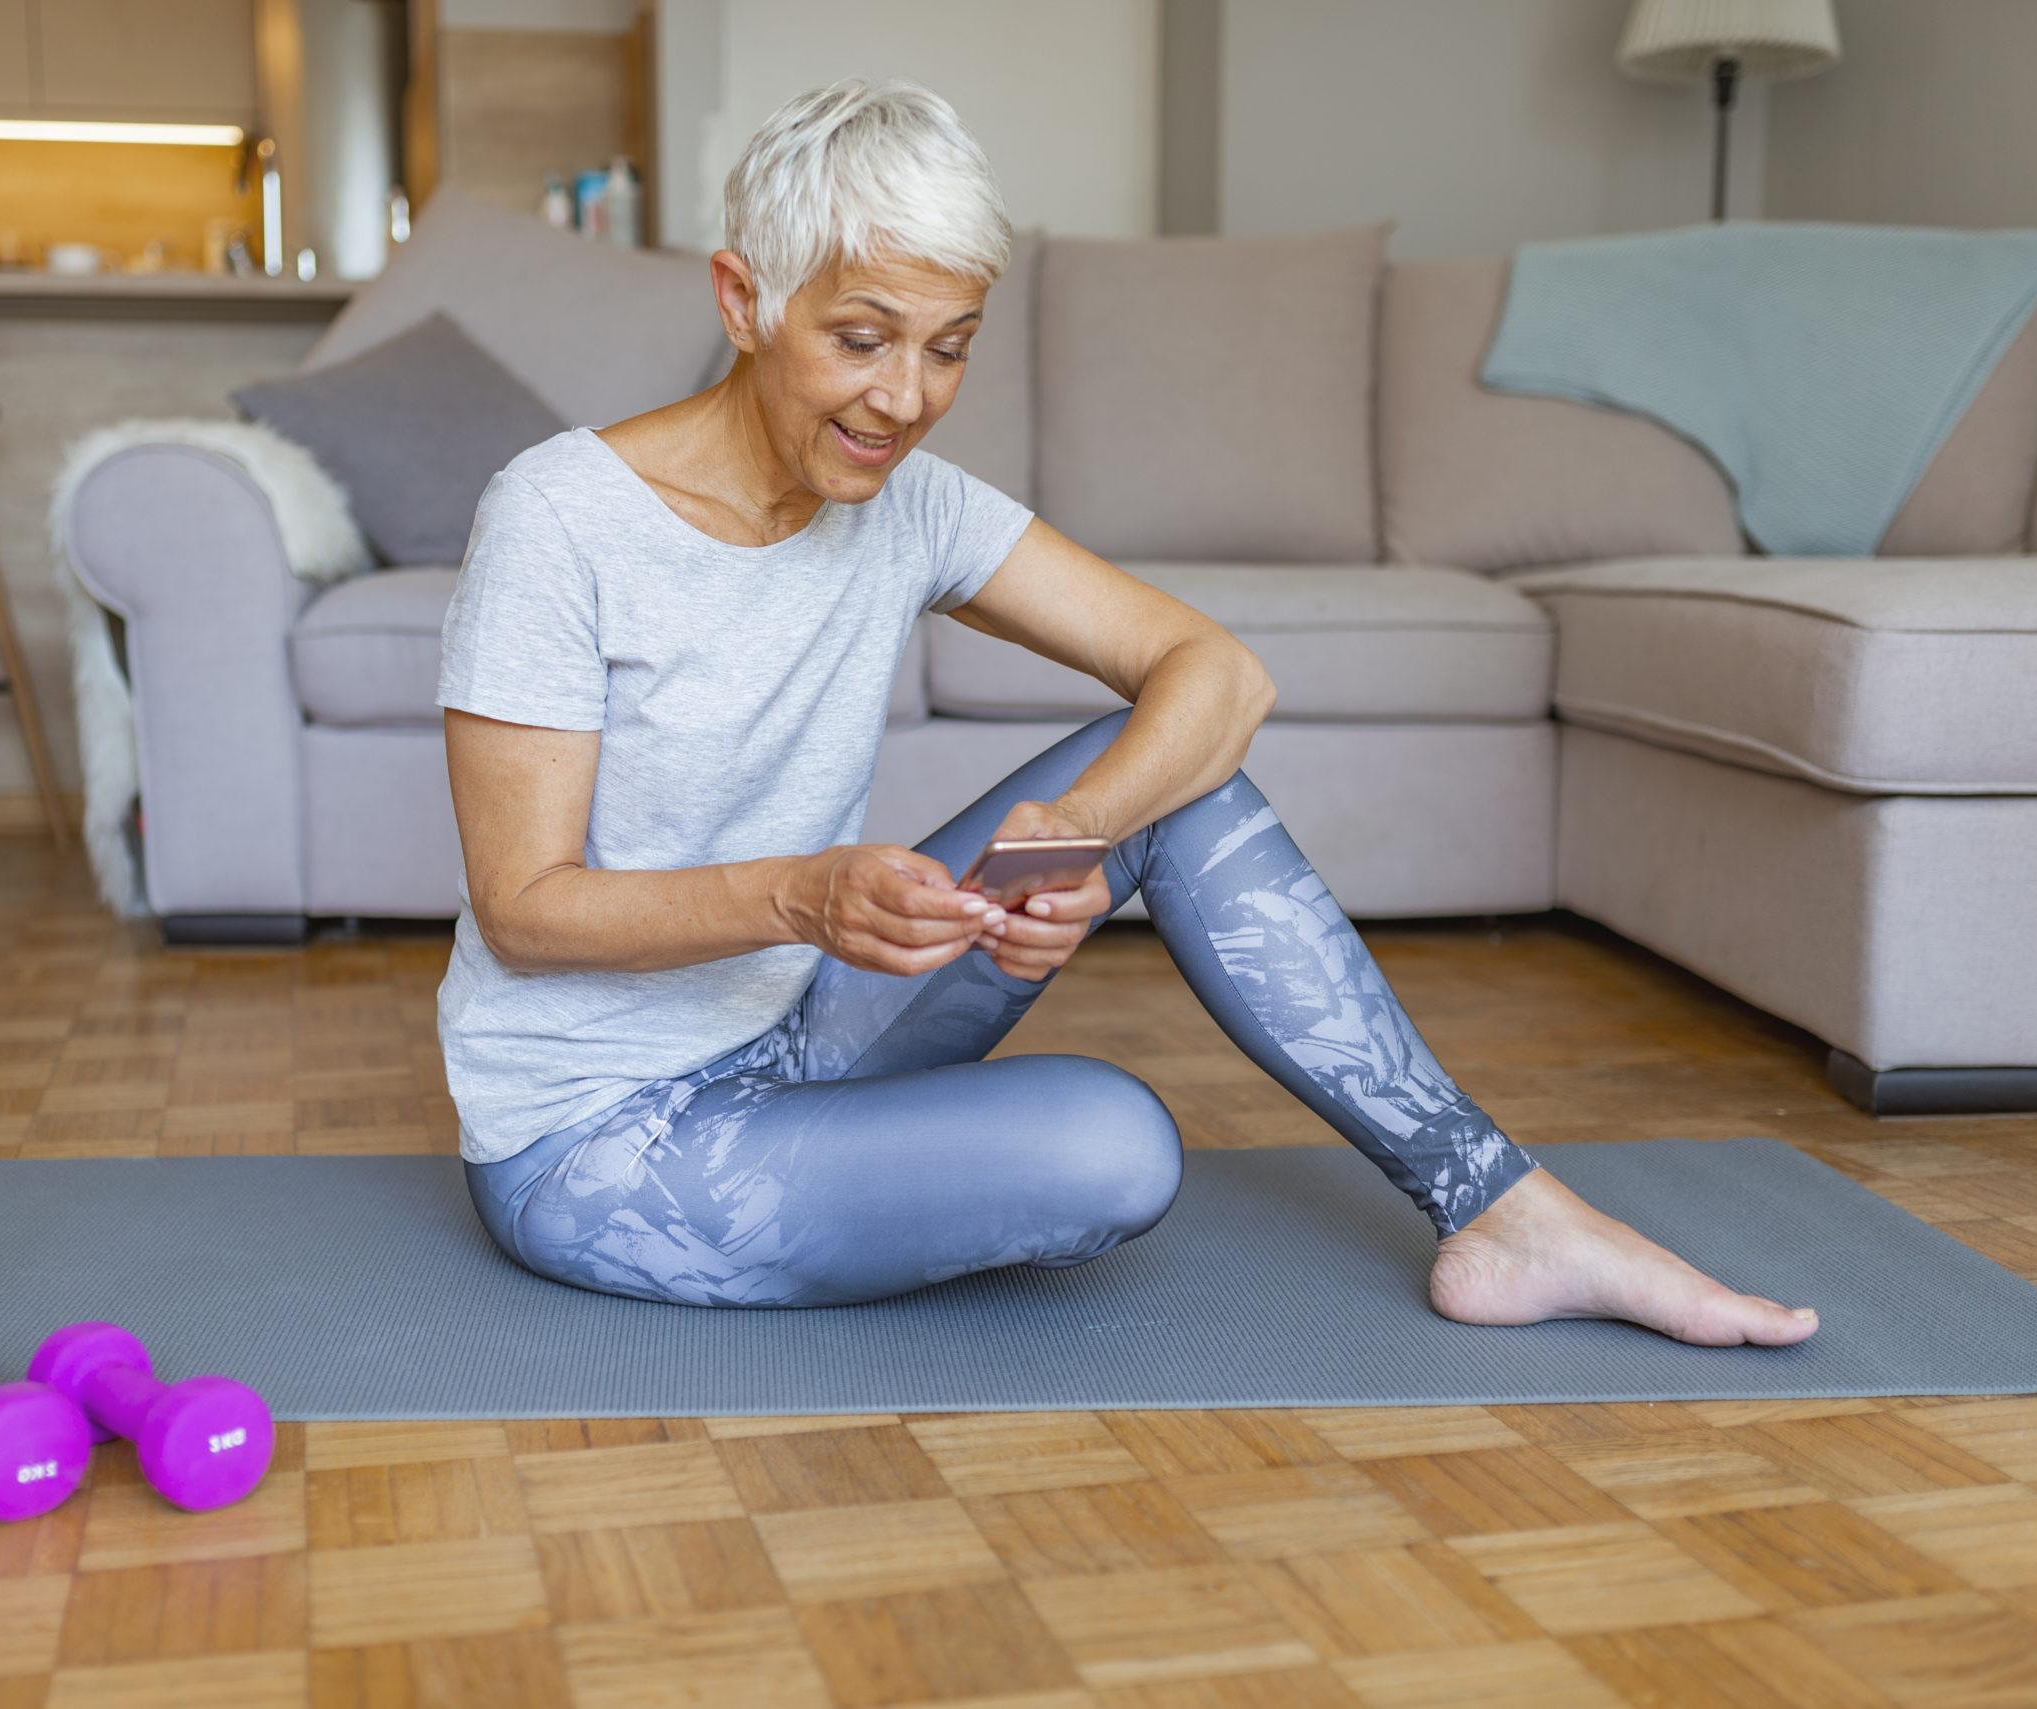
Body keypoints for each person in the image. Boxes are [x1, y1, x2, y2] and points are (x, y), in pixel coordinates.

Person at [435, 78, 1817, 1345]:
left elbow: (1218, 673)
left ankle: (1504, 1208)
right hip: (602, 1135)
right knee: (1114, 1150)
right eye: (860, 340)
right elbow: (526, 906)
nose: (904, 399)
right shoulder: (560, 518)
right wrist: (803, 897)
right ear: (743, 301)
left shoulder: (909, 505)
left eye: (949, 348)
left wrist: (1075, 836)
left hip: (804, 1032)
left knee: (1176, 776)